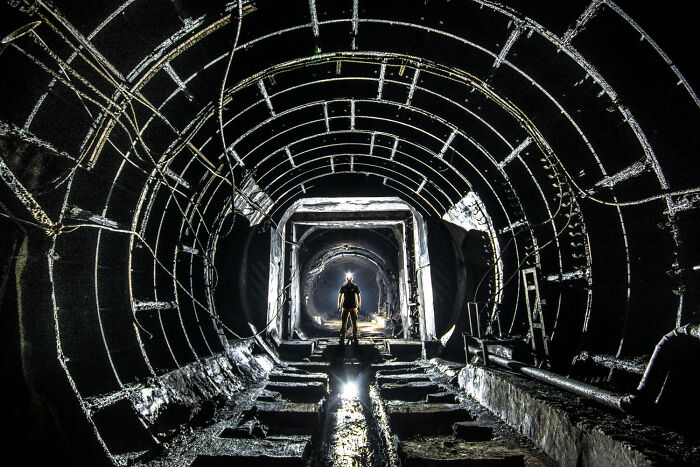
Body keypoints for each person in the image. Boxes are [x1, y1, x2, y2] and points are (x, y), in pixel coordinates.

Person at [338, 273, 361, 341]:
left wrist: (359, 305)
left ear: (351, 278)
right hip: (345, 306)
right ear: (346, 278)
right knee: (344, 321)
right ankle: (343, 334)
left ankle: (354, 334)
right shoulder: (344, 287)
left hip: (353, 306)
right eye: (348, 277)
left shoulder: (355, 286)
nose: (349, 279)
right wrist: (339, 305)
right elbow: (340, 296)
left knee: (354, 321)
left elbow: (358, 296)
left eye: (350, 277)